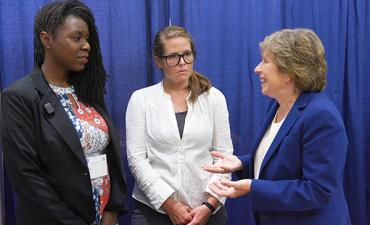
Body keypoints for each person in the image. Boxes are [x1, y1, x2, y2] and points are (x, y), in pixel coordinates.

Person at [203, 29, 352, 225]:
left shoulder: (321, 116)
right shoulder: (278, 105)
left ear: (289, 71)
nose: (257, 69)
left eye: (265, 61)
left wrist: (252, 187)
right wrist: (243, 163)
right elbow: (284, 158)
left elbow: (318, 190)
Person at [0, 1, 127, 224]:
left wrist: (113, 210)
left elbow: (111, 155)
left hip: (104, 217)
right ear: (46, 39)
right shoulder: (19, 96)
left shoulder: (87, 91)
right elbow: (26, 176)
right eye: (76, 38)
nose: (86, 45)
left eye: (87, 39)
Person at [126, 25, 233, 225]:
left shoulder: (213, 98)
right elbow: (137, 160)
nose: (182, 63)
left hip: (207, 211)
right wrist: (169, 204)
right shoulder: (141, 100)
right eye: (173, 57)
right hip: (154, 211)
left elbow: (224, 156)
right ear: (159, 61)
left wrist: (209, 206)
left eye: (187, 55)